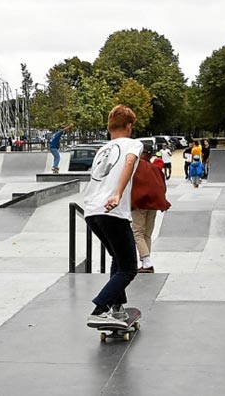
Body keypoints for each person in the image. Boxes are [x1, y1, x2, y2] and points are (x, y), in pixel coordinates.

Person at [84, 105, 143, 329]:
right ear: (129, 126)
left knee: (117, 260)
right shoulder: (133, 144)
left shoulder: (102, 150)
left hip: (92, 211)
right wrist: (117, 194)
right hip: (112, 210)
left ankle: (116, 308)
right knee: (129, 267)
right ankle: (100, 309)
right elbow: (128, 163)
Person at [131, 144, 171, 273]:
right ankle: (145, 262)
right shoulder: (156, 168)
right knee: (147, 234)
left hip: (139, 203)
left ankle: (147, 262)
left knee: (138, 233)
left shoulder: (135, 167)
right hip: (153, 205)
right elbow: (162, 186)